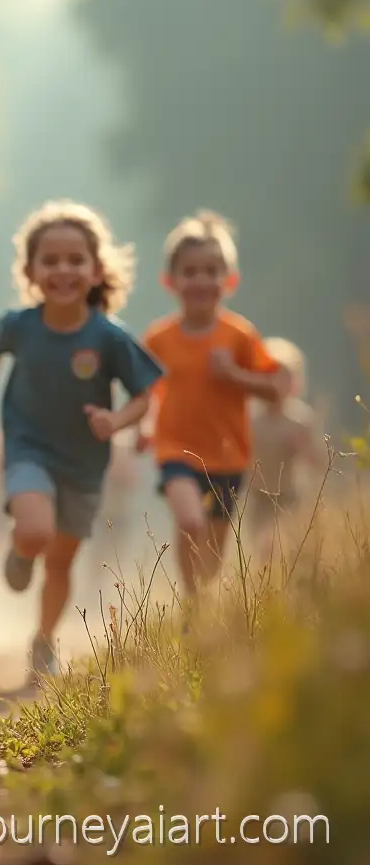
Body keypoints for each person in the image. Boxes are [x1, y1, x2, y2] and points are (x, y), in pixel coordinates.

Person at [0, 200, 162, 679]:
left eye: (76, 260)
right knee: (36, 532)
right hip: (28, 446)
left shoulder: (109, 336)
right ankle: (21, 549)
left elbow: (144, 396)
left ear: (96, 270)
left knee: (60, 562)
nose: (63, 270)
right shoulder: (20, 325)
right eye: (50, 260)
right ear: (30, 271)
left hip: (84, 463)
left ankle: (43, 640)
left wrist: (117, 422)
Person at [139, 210, 286, 604]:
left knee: (216, 547)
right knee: (190, 521)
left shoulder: (239, 335)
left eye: (210, 271)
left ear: (229, 280)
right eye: (190, 272)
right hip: (175, 450)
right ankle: (192, 602)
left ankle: (202, 604)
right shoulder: (158, 338)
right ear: (170, 281)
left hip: (227, 456)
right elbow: (144, 392)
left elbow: (276, 391)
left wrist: (235, 375)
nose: (201, 280)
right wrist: (141, 427)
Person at [246, 337, 321, 563]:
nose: (275, 384)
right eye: (268, 377)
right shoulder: (251, 420)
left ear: (295, 383)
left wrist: (303, 448)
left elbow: (319, 462)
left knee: (286, 547)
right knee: (263, 549)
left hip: (290, 496)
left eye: (283, 378)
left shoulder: (300, 420)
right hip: (258, 497)